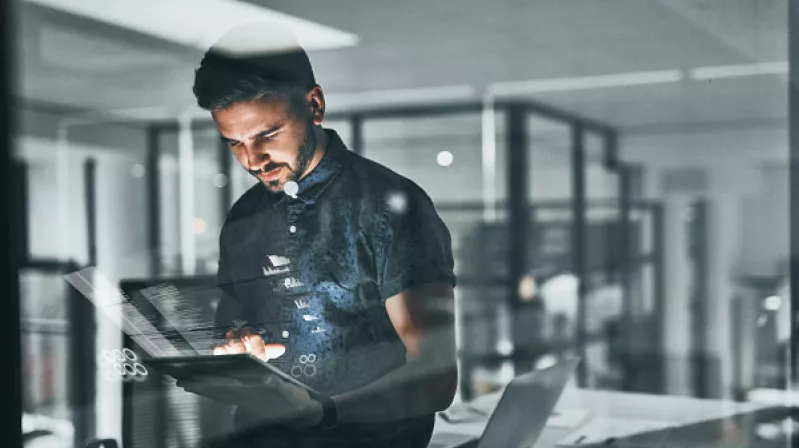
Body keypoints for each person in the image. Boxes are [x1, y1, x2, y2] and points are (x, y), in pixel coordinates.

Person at [180, 23, 458, 447]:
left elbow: (435, 379)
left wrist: (323, 411)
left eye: (266, 136)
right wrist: (235, 347)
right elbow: (229, 325)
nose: (253, 160)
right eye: (234, 143)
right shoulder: (243, 216)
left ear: (314, 105)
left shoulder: (390, 207)